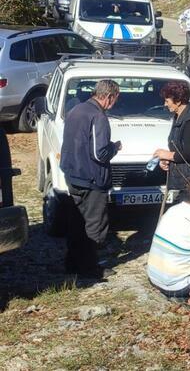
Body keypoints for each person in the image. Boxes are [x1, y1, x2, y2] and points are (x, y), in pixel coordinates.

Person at [60, 79, 122, 279]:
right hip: (92, 178)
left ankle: (72, 263)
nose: (114, 104)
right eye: (116, 99)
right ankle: (90, 267)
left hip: (73, 174)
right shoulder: (98, 117)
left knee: (76, 222)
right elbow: (100, 153)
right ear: (109, 97)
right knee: (95, 225)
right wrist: (115, 147)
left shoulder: (76, 110)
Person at [152, 81, 190, 194]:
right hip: (183, 179)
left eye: (167, 101)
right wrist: (169, 160)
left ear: (178, 101)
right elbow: (180, 148)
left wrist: (168, 155)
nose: (165, 104)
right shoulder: (180, 115)